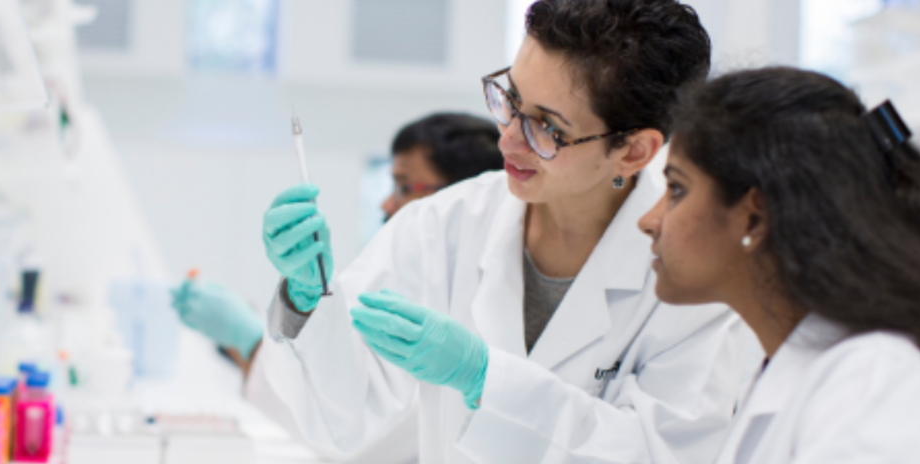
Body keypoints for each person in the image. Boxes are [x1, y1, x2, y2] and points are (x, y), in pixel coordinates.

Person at [256, 1, 758, 463]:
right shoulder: (443, 225)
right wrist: (307, 302)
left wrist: (485, 380)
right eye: (510, 99)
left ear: (634, 150)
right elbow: (342, 420)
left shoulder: (699, 281)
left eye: (548, 128)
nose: (508, 137)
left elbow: (664, 453)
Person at [637, 67, 920, 464]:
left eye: (677, 189)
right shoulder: (804, 369)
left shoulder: (874, 385)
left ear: (754, 219)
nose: (648, 221)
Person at [171, 113, 501, 464]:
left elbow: (348, 430)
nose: (385, 204)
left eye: (404, 186)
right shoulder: (402, 276)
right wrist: (298, 308)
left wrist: (250, 340)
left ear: (459, 199)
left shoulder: (461, 317)